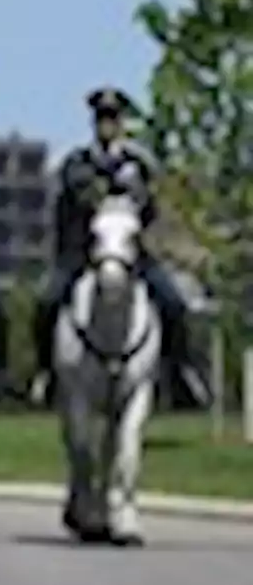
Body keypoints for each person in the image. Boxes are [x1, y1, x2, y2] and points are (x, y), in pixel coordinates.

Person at [32, 86, 188, 381]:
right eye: (102, 117)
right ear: (94, 123)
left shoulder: (138, 163)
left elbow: (152, 210)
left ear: (121, 123)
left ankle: (179, 370)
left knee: (173, 302)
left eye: (113, 118)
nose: (107, 124)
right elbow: (71, 205)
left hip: (130, 252)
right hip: (81, 252)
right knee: (47, 301)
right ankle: (45, 371)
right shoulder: (77, 163)